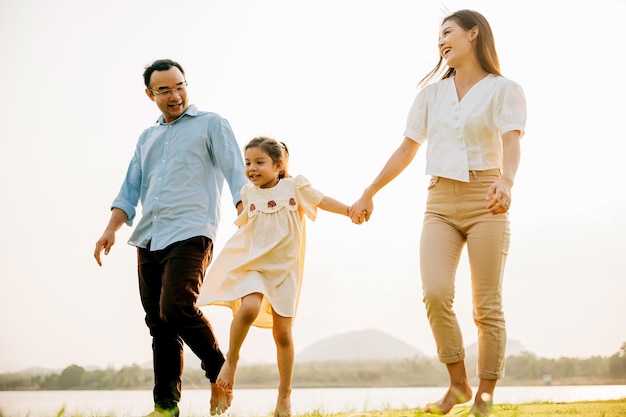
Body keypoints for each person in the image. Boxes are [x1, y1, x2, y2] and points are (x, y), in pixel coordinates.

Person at [349, 10, 526, 416]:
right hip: (439, 203)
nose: (441, 41)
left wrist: (507, 181)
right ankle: (458, 384)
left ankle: (484, 395)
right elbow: (407, 149)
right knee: (434, 293)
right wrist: (370, 191)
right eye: (438, 36)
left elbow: (512, 142)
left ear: (473, 33)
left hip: (487, 198)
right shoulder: (430, 95)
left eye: (448, 32)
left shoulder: (505, 89)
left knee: (486, 305)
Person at [93, 59, 249, 417]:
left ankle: (220, 370)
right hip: (149, 237)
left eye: (180, 86)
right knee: (160, 325)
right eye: (164, 90)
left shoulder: (211, 124)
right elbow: (130, 188)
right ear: (151, 94)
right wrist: (111, 229)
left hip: (192, 231)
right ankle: (165, 407)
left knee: (176, 307)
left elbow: (233, 168)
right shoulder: (147, 137)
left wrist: (244, 206)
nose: (175, 95)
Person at [197, 136, 357, 417]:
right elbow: (243, 230)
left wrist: (349, 210)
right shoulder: (249, 194)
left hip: (285, 271)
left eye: (259, 162)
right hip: (255, 266)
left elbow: (322, 200)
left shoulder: (295, 187)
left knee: (282, 334)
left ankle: (284, 396)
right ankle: (231, 361)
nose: (252, 168)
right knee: (248, 307)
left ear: (279, 165)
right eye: (248, 163)